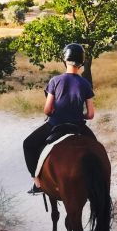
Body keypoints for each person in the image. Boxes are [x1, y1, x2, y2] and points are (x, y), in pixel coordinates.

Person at [22, 43, 97, 194]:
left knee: (28, 144)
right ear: (81, 62)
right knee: (96, 148)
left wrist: (57, 112)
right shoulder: (85, 83)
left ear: (65, 59)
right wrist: (78, 115)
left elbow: (47, 110)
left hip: (55, 124)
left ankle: (37, 183)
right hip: (77, 126)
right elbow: (90, 115)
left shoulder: (55, 81)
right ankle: (95, 181)